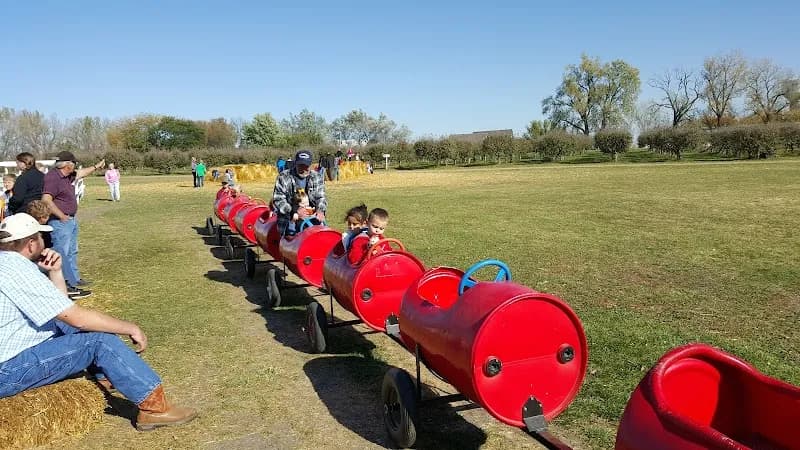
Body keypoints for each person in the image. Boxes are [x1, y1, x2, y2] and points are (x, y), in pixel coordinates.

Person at [0, 213, 198, 431]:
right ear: (30, 244)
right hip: (7, 371)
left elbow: (63, 310)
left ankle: (105, 377)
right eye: (40, 237)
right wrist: (130, 328)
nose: (44, 242)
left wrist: (55, 272)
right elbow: (77, 318)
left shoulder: (7, 265)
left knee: (69, 325)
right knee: (99, 341)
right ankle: (155, 408)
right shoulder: (20, 271)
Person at [41, 151, 105, 299]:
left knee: (72, 251)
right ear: (67, 165)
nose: (75, 166)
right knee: (61, 252)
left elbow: (81, 173)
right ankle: (65, 284)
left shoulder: (67, 175)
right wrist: (61, 215)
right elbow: (46, 199)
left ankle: (74, 278)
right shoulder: (53, 177)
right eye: (73, 163)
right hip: (60, 222)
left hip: (71, 220)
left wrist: (96, 166)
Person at [272, 149, 327, 236]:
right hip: (288, 220)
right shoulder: (283, 177)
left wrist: (320, 211)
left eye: (306, 166)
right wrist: (295, 212)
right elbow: (278, 199)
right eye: (300, 165)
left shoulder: (317, 176)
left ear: (311, 165)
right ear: (295, 164)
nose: (304, 169)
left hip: (312, 220)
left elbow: (321, 197)